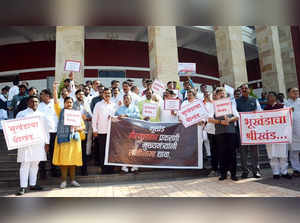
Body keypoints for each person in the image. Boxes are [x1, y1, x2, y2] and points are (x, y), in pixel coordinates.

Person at [52, 82, 85, 189]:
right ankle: (63, 181)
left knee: (72, 161)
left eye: (71, 102)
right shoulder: (60, 112)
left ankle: (73, 180)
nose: (69, 104)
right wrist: (55, 89)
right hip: (63, 139)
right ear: (64, 103)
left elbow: (83, 127)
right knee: (64, 161)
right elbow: (56, 102)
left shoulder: (76, 113)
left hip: (74, 139)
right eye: (67, 102)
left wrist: (77, 128)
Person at [16, 96, 50, 195]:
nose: (35, 103)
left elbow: (46, 130)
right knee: (25, 164)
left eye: (36, 102)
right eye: (32, 101)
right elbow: (16, 129)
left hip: (38, 144)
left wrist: (47, 143)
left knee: (35, 164)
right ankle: (23, 186)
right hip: (25, 144)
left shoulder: (42, 115)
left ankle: (33, 184)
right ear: (28, 103)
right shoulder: (22, 114)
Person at [207, 87, 239, 181]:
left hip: (231, 131)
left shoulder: (231, 103)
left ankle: (233, 174)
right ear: (216, 96)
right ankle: (223, 174)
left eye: (223, 93)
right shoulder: (213, 105)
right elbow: (209, 119)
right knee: (221, 153)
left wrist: (229, 120)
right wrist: (221, 122)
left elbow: (236, 116)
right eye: (219, 93)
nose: (221, 95)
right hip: (219, 132)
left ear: (226, 95)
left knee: (232, 153)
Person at [236, 84, 262, 179]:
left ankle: (256, 171)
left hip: (253, 130)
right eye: (242, 89)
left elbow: (260, 113)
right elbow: (235, 114)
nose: (244, 90)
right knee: (243, 152)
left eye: (246, 88)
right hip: (242, 131)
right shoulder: (236, 101)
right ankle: (245, 171)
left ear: (249, 90)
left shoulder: (254, 100)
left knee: (255, 152)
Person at [264, 92, 292, 179]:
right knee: (272, 155)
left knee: (283, 154)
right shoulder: (265, 109)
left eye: (272, 96)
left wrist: (290, 111)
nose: (270, 98)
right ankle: (275, 172)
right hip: (270, 134)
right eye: (269, 96)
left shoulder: (282, 107)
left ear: (275, 98)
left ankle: (284, 172)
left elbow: (287, 116)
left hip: (281, 134)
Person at [92, 88, 116, 174]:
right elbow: (94, 118)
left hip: (112, 132)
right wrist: (94, 130)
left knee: (111, 151)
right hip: (102, 131)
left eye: (109, 93)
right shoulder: (98, 105)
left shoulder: (114, 104)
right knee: (102, 151)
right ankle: (104, 169)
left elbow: (117, 117)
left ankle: (111, 169)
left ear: (111, 94)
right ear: (103, 94)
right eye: (105, 93)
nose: (107, 95)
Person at [115, 94, 140, 173]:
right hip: (123, 132)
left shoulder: (135, 108)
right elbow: (115, 117)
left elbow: (138, 116)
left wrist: (127, 115)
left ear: (131, 100)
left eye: (128, 99)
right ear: (123, 100)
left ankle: (134, 167)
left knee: (133, 148)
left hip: (133, 131)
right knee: (124, 149)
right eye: (125, 99)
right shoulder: (119, 109)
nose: (126, 100)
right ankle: (124, 167)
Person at [38, 89, 60, 178]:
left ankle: (54, 171)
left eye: (42, 94)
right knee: (43, 152)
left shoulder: (54, 103)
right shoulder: (39, 106)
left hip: (54, 132)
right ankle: (42, 172)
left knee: (53, 152)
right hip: (43, 132)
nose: (40, 96)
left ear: (47, 95)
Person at [73, 89, 92, 176]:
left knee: (83, 151)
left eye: (82, 94)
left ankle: (84, 171)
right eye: (79, 94)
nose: (81, 96)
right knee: (75, 151)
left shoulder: (86, 104)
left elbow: (91, 117)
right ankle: (75, 171)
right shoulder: (73, 105)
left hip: (84, 130)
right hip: (75, 131)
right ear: (76, 95)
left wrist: (86, 118)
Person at [285, 87, 300, 177]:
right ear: (289, 93)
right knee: (294, 152)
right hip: (292, 131)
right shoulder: (286, 103)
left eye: (297, 91)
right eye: (293, 91)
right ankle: (296, 169)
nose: (296, 92)